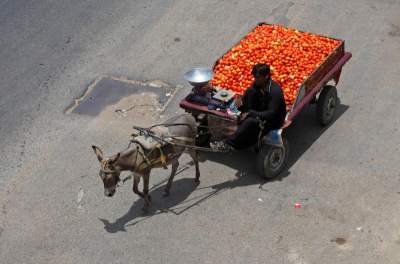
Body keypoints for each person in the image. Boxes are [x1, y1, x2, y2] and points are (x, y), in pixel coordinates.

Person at [210, 63, 286, 151]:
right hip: (262, 109)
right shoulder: (258, 84)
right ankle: (242, 122)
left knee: (251, 121)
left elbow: (271, 114)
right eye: (254, 77)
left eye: (257, 77)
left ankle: (228, 144)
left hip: (273, 120)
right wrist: (240, 101)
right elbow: (248, 94)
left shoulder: (275, 92)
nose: (255, 79)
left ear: (266, 76)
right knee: (250, 91)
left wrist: (251, 113)